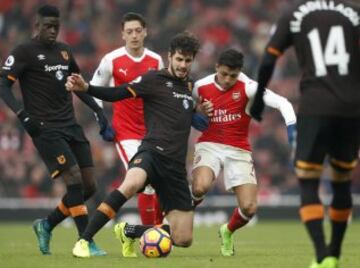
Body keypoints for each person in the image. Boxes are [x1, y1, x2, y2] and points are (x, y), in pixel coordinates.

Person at [66, 32, 213, 258]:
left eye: (188, 60)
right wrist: (87, 88)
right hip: (151, 153)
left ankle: (129, 231)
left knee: (184, 239)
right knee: (131, 183)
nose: (183, 65)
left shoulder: (187, 87)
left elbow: (187, 115)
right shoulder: (153, 79)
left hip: (174, 168)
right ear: (170, 56)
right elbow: (119, 92)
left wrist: (201, 113)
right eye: (179, 59)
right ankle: (84, 240)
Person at [249, 1, 360, 267]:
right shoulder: (354, 13)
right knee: (342, 180)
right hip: (351, 108)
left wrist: (258, 101)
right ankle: (334, 252)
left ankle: (321, 255)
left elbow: (268, 59)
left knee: (308, 180)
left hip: (315, 106)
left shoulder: (294, 14)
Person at [0, 5, 113, 256]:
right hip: (45, 128)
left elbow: (78, 84)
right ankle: (85, 241)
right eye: (48, 26)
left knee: (89, 187)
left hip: (71, 125)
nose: (52, 31)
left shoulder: (64, 51)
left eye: (56, 27)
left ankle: (46, 224)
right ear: (36, 26)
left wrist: (98, 110)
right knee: (72, 181)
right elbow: (3, 86)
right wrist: (22, 114)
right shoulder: (23, 52)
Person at [190, 48, 296, 257]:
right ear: (216, 68)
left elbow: (284, 103)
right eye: (224, 74)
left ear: (240, 72)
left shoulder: (248, 87)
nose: (228, 79)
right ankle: (184, 211)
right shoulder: (200, 86)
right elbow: (185, 107)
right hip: (209, 144)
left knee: (249, 208)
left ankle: (227, 231)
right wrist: (195, 113)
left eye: (233, 75)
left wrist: (292, 129)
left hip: (238, 149)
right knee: (200, 186)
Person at [90, 12, 164, 230]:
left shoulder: (156, 60)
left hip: (151, 132)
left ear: (145, 32)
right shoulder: (111, 60)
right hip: (126, 132)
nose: (134, 36)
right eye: (129, 31)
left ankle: (141, 233)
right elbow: (93, 88)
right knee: (144, 180)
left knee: (157, 183)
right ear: (122, 34)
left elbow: (162, 93)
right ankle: (149, 234)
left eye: (138, 31)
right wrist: (101, 118)